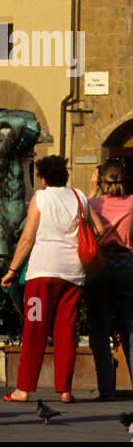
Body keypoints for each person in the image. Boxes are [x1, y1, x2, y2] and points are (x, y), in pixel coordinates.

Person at [0, 154, 101, 404]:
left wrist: (12, 270)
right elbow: (98, 230)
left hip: (42, 274)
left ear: (43, 178)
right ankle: (65, 390)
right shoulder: (79, 197)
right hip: (74, 274)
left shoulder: (41, 198)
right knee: (66, 333)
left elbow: (27, 237)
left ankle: (23, 389)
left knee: (35, 329)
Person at [86, 159, 133, 399]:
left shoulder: (93, 203)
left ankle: (107, 389)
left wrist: (92, 189)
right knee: (130, 328)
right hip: (126, 262)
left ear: (101, 178)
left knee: (99, 328)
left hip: (99, 263)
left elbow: (81, 221)